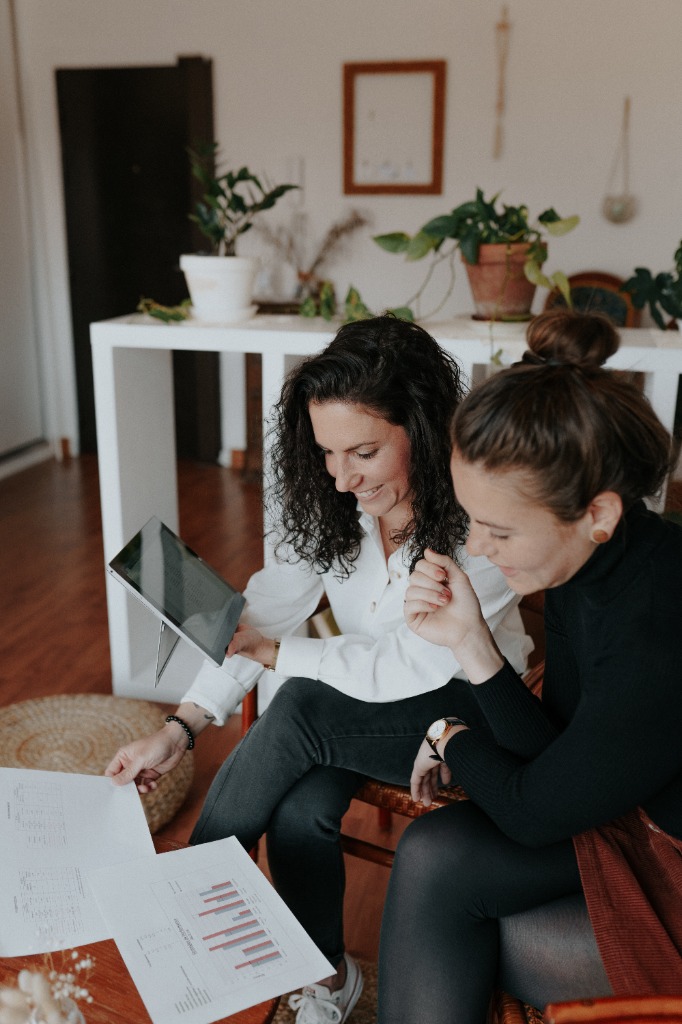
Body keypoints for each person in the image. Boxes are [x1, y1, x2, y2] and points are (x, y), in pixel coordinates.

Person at [105, 315, 532, 1024]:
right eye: (328, 453)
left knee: (299, 700)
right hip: (356, 711)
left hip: (465, 712)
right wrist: (179, 728)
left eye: (363, 451)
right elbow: (265, 616)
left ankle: (181, 895)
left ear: (421, 431)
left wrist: (284, 658)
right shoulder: (342, 505)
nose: (341, 477)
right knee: (302, 810)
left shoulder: (480, 521)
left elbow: (406, 662)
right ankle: (329, 979)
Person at [378, 308, 682, 1024]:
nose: (477, 548)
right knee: (437, 859)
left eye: (499, 528)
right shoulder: (596, 562)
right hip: (629, 818)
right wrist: (470, 642)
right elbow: (554, 755)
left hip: (667, 862)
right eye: (471, 519)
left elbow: (530, 814)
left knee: (471, 916)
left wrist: (453, 737)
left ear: (598, 511)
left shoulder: (655, 628)